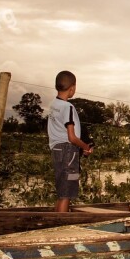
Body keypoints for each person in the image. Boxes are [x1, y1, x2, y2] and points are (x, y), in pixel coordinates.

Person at [47, 70, 93, 212]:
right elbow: (71, 137)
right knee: (66, 193)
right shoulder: (68, 107)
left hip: (57, 150)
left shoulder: (54, 105)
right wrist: (86, 147)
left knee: (62, 192)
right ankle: (61, 227)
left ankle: (55, 223)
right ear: (72, 88)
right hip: (68, 152)